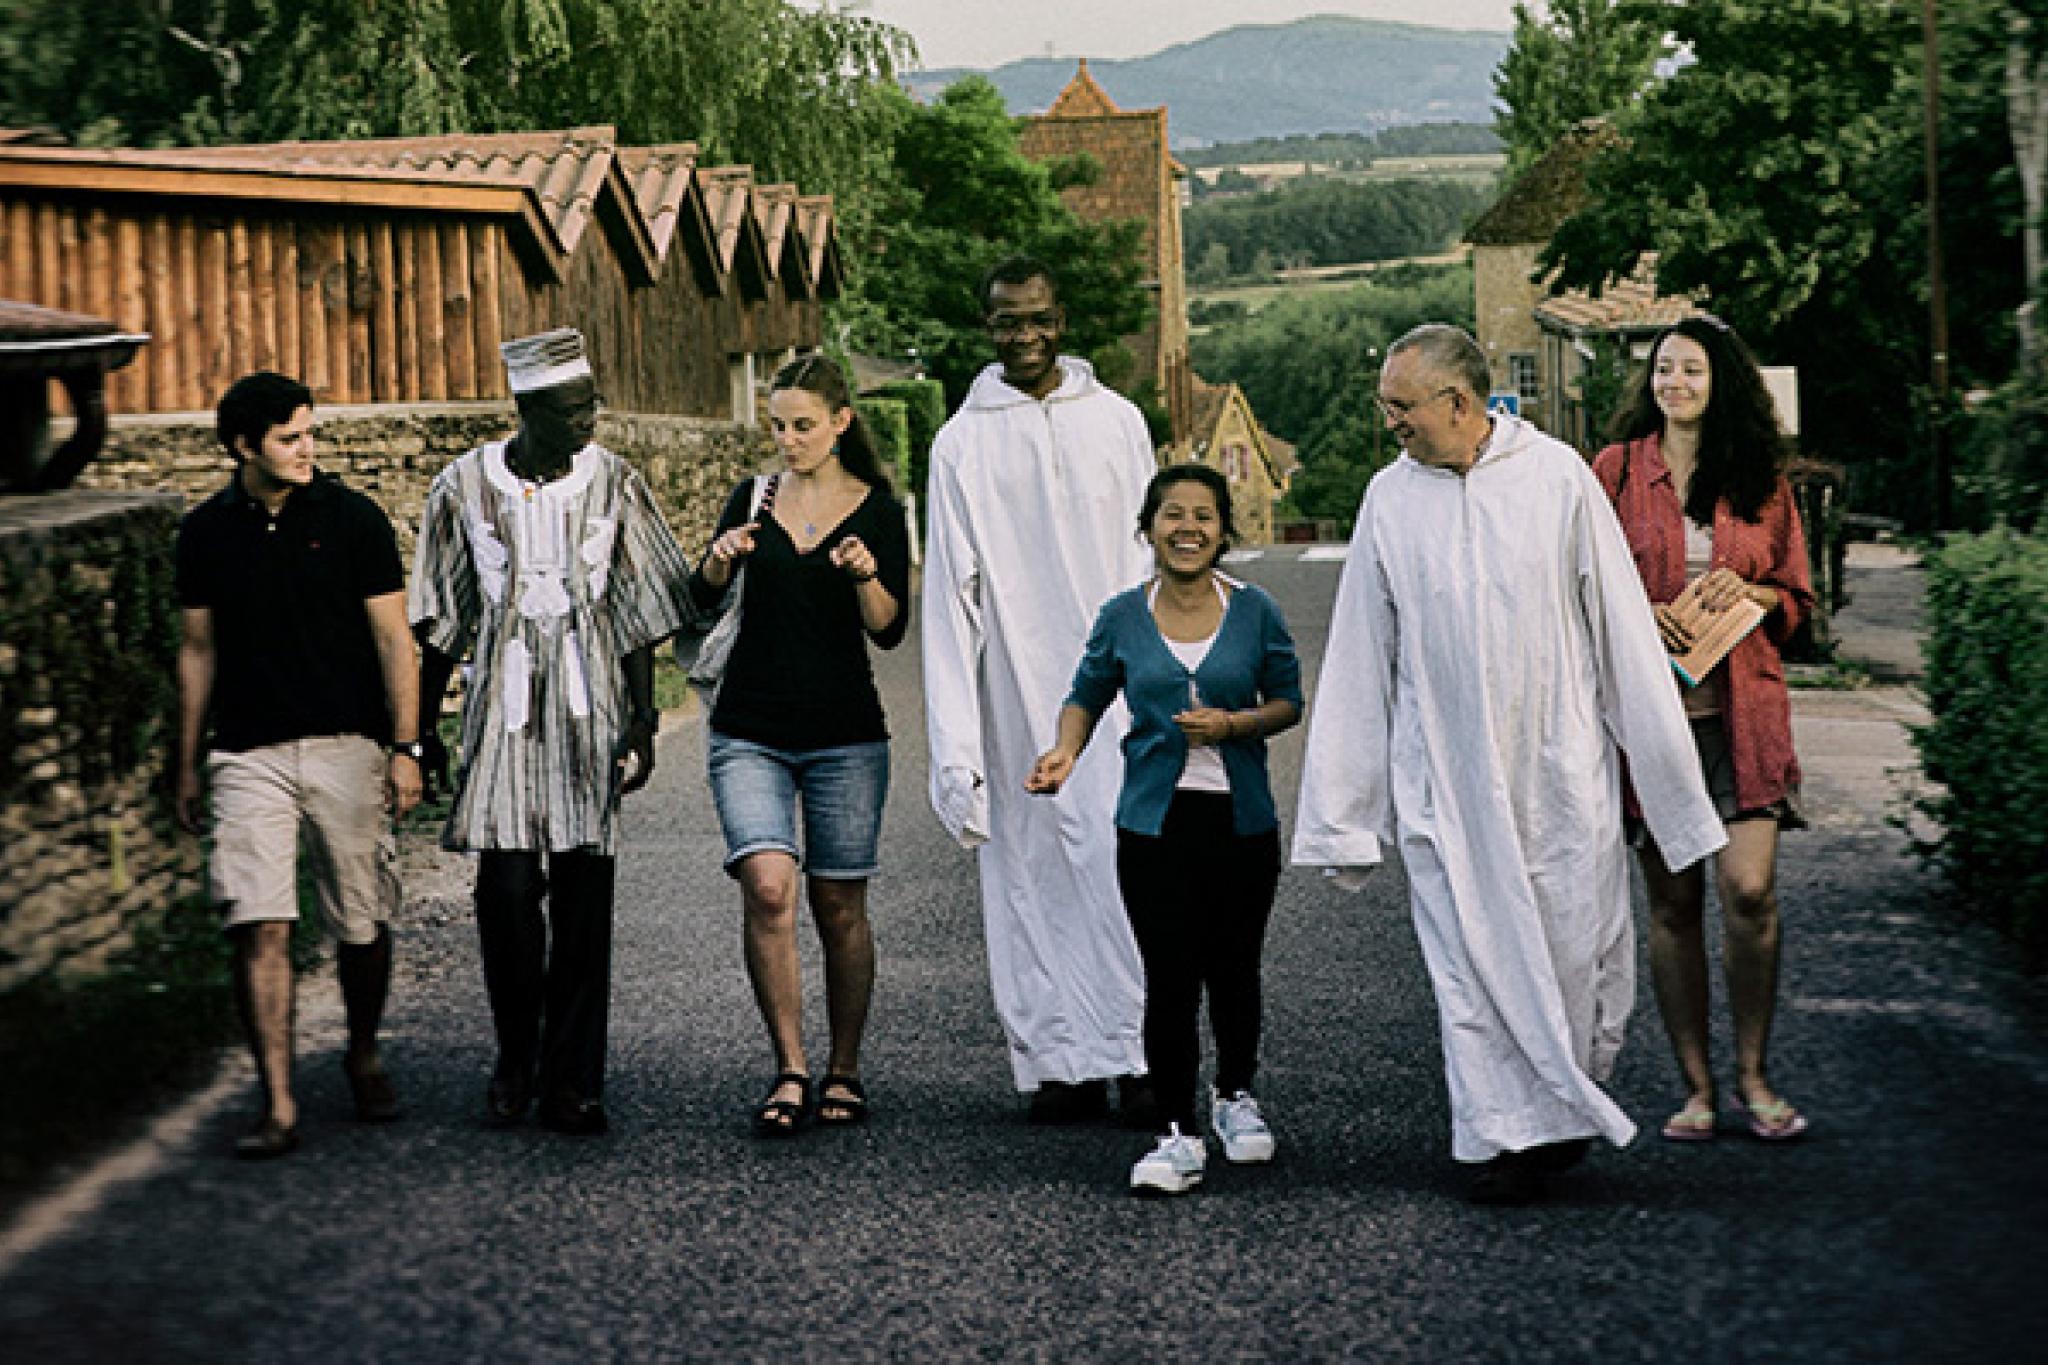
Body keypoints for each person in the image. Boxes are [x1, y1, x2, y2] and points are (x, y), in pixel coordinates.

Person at [1292, 324, 1727, 1205]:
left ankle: (1556, 1113)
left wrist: (1672, 791)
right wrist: (1343, 812)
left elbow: (1619, 631)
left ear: (1460, 402)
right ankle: (1498, 1135)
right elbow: (1357, 655)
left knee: (1573, 948)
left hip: (1556, 773)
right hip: (1443, 779)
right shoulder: (1389, 498)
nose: (1391, 425)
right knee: (1467, 963)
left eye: (1401, 406)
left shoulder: (1556, 479)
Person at [409, 327, 691, 1137]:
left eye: (592, 404)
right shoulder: (462, 487)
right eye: (572, 409)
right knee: (502, 894)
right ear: (527, 409)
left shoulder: (616, 483)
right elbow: (442, 616)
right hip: (501, 713)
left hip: (587, 708)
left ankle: (574, 1078)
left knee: (581, 897)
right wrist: (421, 730)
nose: (589, 422)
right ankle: (516, 1055)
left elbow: (639, 610)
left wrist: (641, 718)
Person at [923, 256, 1158, 1125]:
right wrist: (955, 750)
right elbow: (950, 597)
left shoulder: (1119, 423)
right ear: (988, 327)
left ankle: (1139, 1050)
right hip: (1016, 690)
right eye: (1006, 323)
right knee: (1029, 869)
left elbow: (1152, 554)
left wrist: (1166, 673)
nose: (1024, 338)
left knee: (1121, 858)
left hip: (1120, 690)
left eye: (1038, 320)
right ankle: (1057, 1057)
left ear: (1064, 320)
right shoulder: (961, 442)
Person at [1027, 464, 1302, 1195]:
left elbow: (1287, 700)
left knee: (1235, 968)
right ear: (1149, 527)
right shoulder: (1122, 614)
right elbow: (1084, 695)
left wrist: (1234, 724)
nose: (1188, 528)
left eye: (1204, 515)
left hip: (1241, 823)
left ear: (1223, 529)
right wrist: (1064, 751)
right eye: (1172, 514)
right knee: (1171, 976)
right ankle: (1176, 1132)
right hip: (1153, 826)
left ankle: (1235, 1097)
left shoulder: (1256, 610)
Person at [174, 370, 423, 1159]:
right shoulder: (206, 532)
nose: (308, 447)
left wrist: (407, 746)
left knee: (360, 919)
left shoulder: (353, 520)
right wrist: (185, 763)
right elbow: (197, 650)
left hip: (348, 743)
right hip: (247, 750)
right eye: (290, 437)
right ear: (246, 445)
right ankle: (278, 1102)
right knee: (260, 921)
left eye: (311, 431)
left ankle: (362, 1047)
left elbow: (395, 640)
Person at [1594, 315, 1815, 1144]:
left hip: (1744, 717)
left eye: (1689, 369)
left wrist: (1753, 597)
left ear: (1721, 381)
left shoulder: (1761, 476)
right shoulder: (1614, 472)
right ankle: (1697, 1085)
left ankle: (1755, 1072)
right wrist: (1633, 613)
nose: (1673, 382)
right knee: (1675, 901)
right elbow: (1578, 582)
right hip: (1653, 722)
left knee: (1750, 893)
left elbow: (1797, 602)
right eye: (1662, 369)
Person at [689, 354, 909, 1136]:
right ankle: (790, 1066)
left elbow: (889, 628)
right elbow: (701, 595)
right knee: (770, 885)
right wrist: (716, 561)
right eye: (777, 425)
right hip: (749, 727)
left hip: (845, 734)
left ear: (841, 422)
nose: (787, 438)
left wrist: (863, 572)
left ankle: (844, 1070)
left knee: (840, 905)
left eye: (803, 425)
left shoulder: (878, 509)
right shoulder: (753, 496)